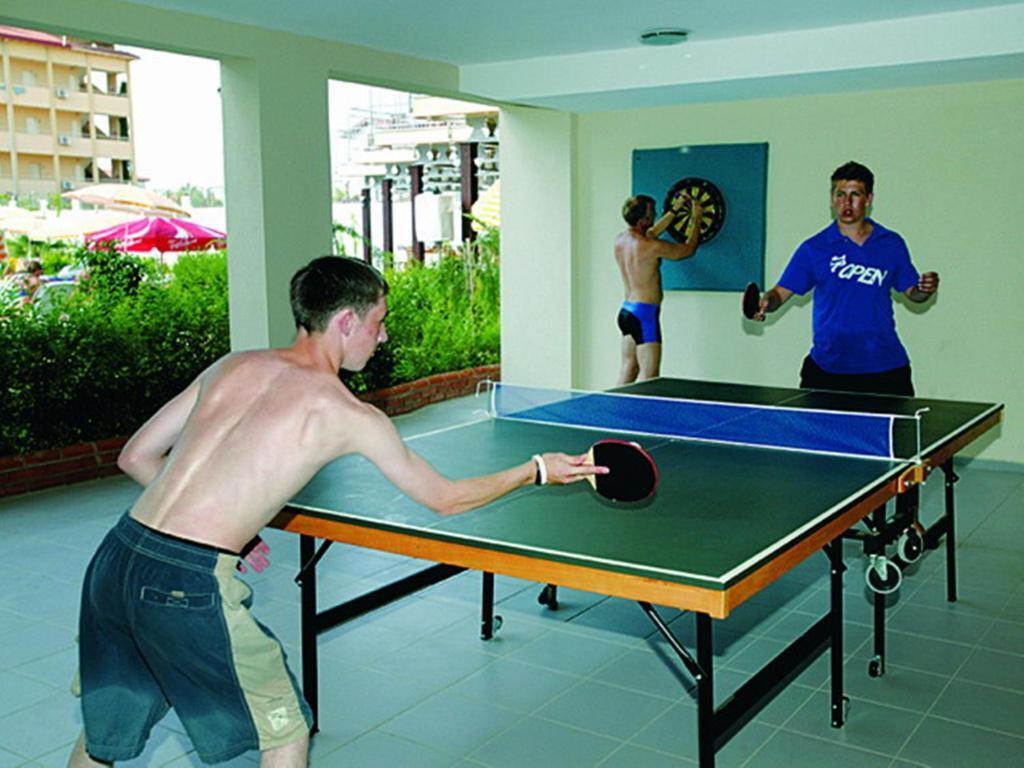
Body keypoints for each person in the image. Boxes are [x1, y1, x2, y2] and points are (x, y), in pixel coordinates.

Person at [69, 256, 606, 768]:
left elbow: (136, 456)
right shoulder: (347, 413)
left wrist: (219, 525)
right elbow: (446, 498)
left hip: (115, 559)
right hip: (185, 584)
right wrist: (535, 469)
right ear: (346, 321)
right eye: (379, 321)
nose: (383, 336)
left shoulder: (233, 365)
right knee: (285, 730)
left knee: (104, 731)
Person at [749, 161, 939, 396]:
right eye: (840, 195)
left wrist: (924, 289)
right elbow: (780, 293)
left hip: (885, 369)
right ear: (832, 199)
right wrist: (766, 302)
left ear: (868, 199)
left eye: (855, 195)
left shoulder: (891, 244)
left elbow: (913, 293)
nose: (846, 203)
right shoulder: (814, 248)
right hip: (827, 370)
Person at [615, 193, 702, 384]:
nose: (655, 216)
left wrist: (675, 210)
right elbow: (688, 250)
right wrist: (696, 218)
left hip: (626, 312)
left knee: (628, 369)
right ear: (642, 221)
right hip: (644, 315)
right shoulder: (651, 246)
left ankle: (612, 404)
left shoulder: (620, 241)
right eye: (652, 214)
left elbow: (653, 231)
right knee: (650, 378)